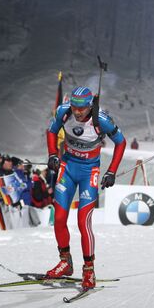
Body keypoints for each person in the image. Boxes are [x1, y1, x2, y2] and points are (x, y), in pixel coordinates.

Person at [45, 86, 126, 289]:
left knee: (83, 222)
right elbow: (51, 131)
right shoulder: (64, 111)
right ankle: (65, 261)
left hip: (89, 172)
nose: (77, 112)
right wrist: (53, 154)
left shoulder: (101, 120)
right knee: (60, 217)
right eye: (74, 107)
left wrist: (111, 171)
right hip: (68, 168)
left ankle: (89, 269)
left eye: (82, 108)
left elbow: (121, 142)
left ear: (90, 105)